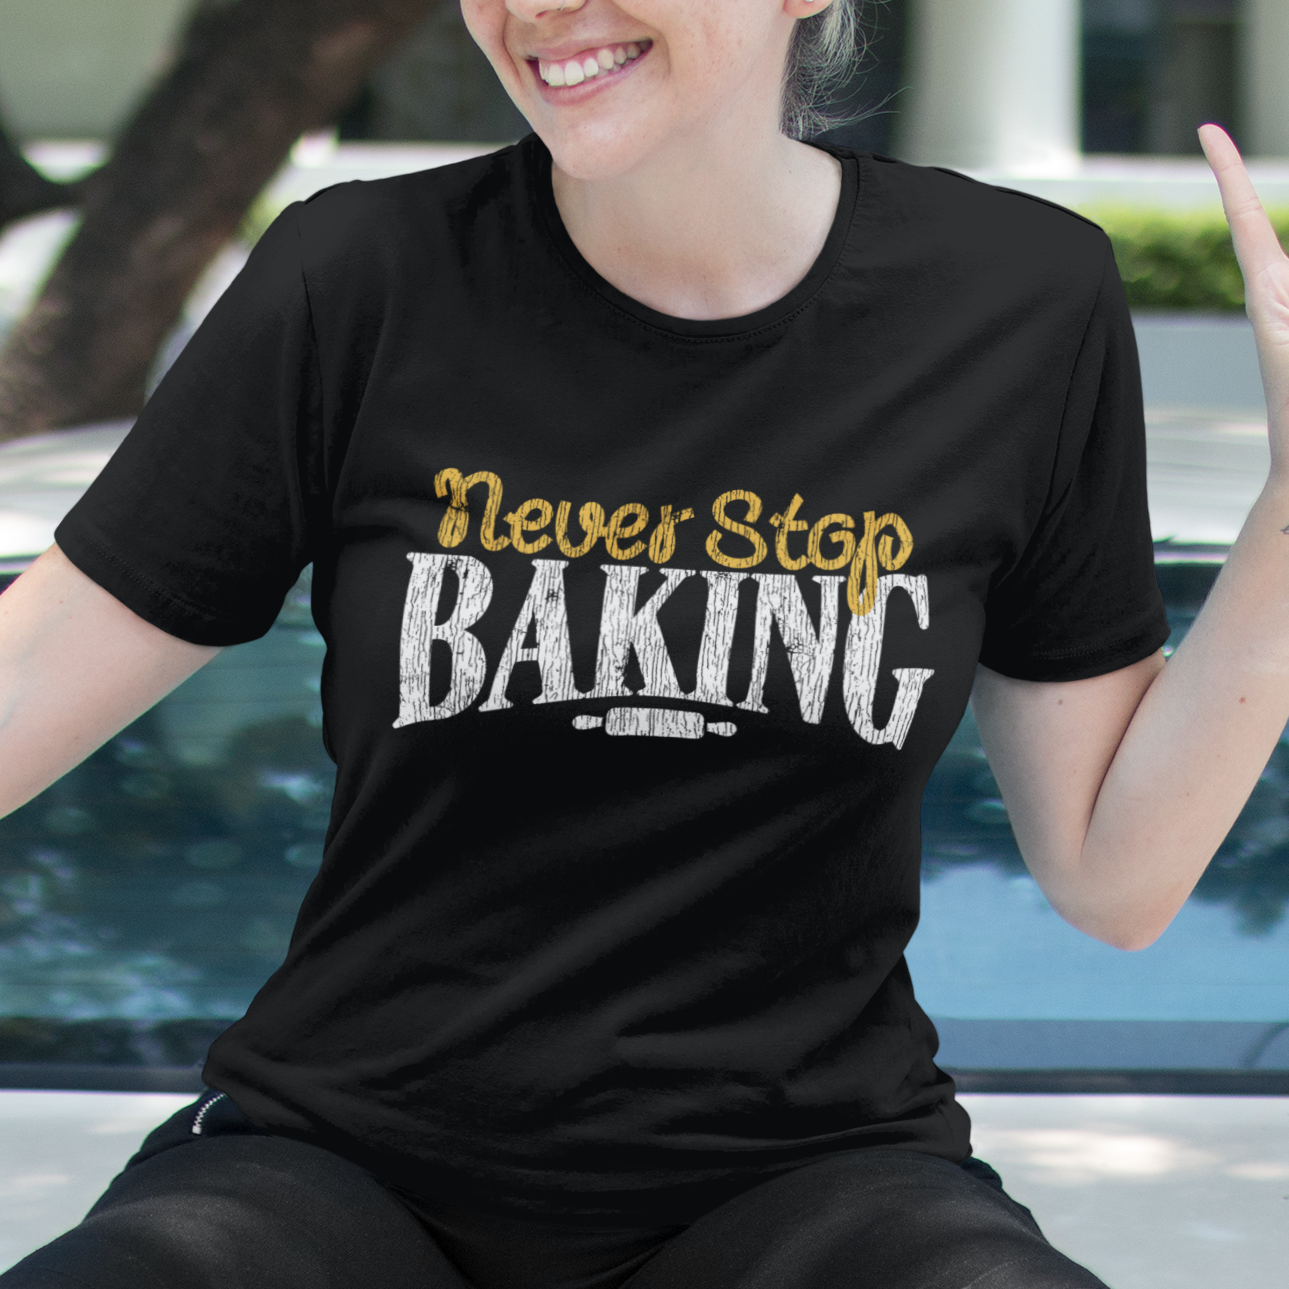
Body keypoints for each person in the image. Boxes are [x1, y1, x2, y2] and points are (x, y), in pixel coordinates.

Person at [1, 0, 1285, 1285]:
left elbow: (1113, 874)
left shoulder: (1014, 299)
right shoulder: (357, 278)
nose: (536, 8)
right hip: (334, 1166)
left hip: (812, 1180)